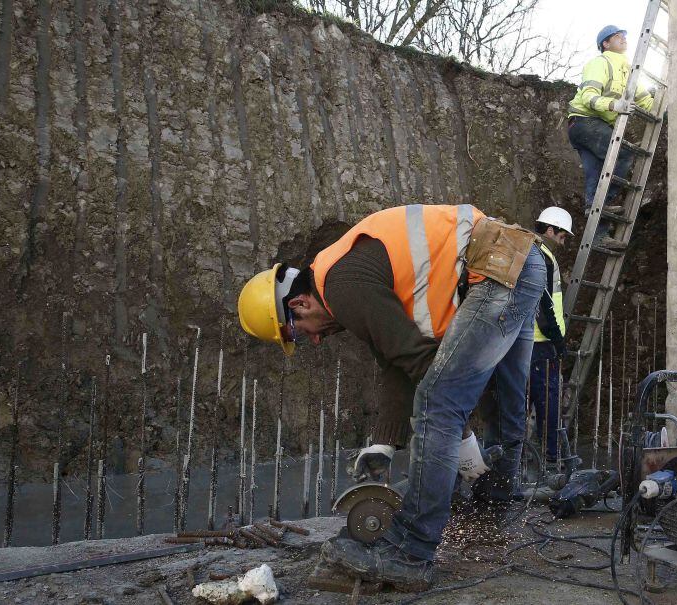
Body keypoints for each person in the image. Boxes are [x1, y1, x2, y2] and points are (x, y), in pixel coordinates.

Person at [237, 204, 546, 590]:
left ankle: (410, 551)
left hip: (493, 271)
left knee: (437, 403)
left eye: (297, 332)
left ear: (298, 304)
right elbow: (396, 360)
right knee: (502, 396)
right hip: (519, 260)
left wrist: (463, 437)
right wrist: (383, 444)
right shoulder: (345, 275)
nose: (313, 339)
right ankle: (494, 499)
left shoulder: (341, 285)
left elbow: (418, 363)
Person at [566, 25, 654, 245]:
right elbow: (588, 96)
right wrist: (615, 104)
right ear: (605, 44)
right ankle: (602, 204)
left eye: (624, 36)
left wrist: (666, 112)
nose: (623, 39)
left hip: (586, 127)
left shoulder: (627, 69)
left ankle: (598, 235)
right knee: (622, 154)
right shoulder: (600, 63)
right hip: (585, 122)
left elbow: (643, 99)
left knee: (596, 178)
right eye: (617, 36)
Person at [528, 207, 571, 464]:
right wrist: (557, 340)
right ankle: (551, 458)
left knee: (524, 402)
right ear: (550, 229)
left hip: (524, 343)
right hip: (542, 344)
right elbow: (544, 305)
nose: (564, 242)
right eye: (563, 235)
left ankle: (520, 460)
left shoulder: (529, 251)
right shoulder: (542, 257)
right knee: (548, 403)